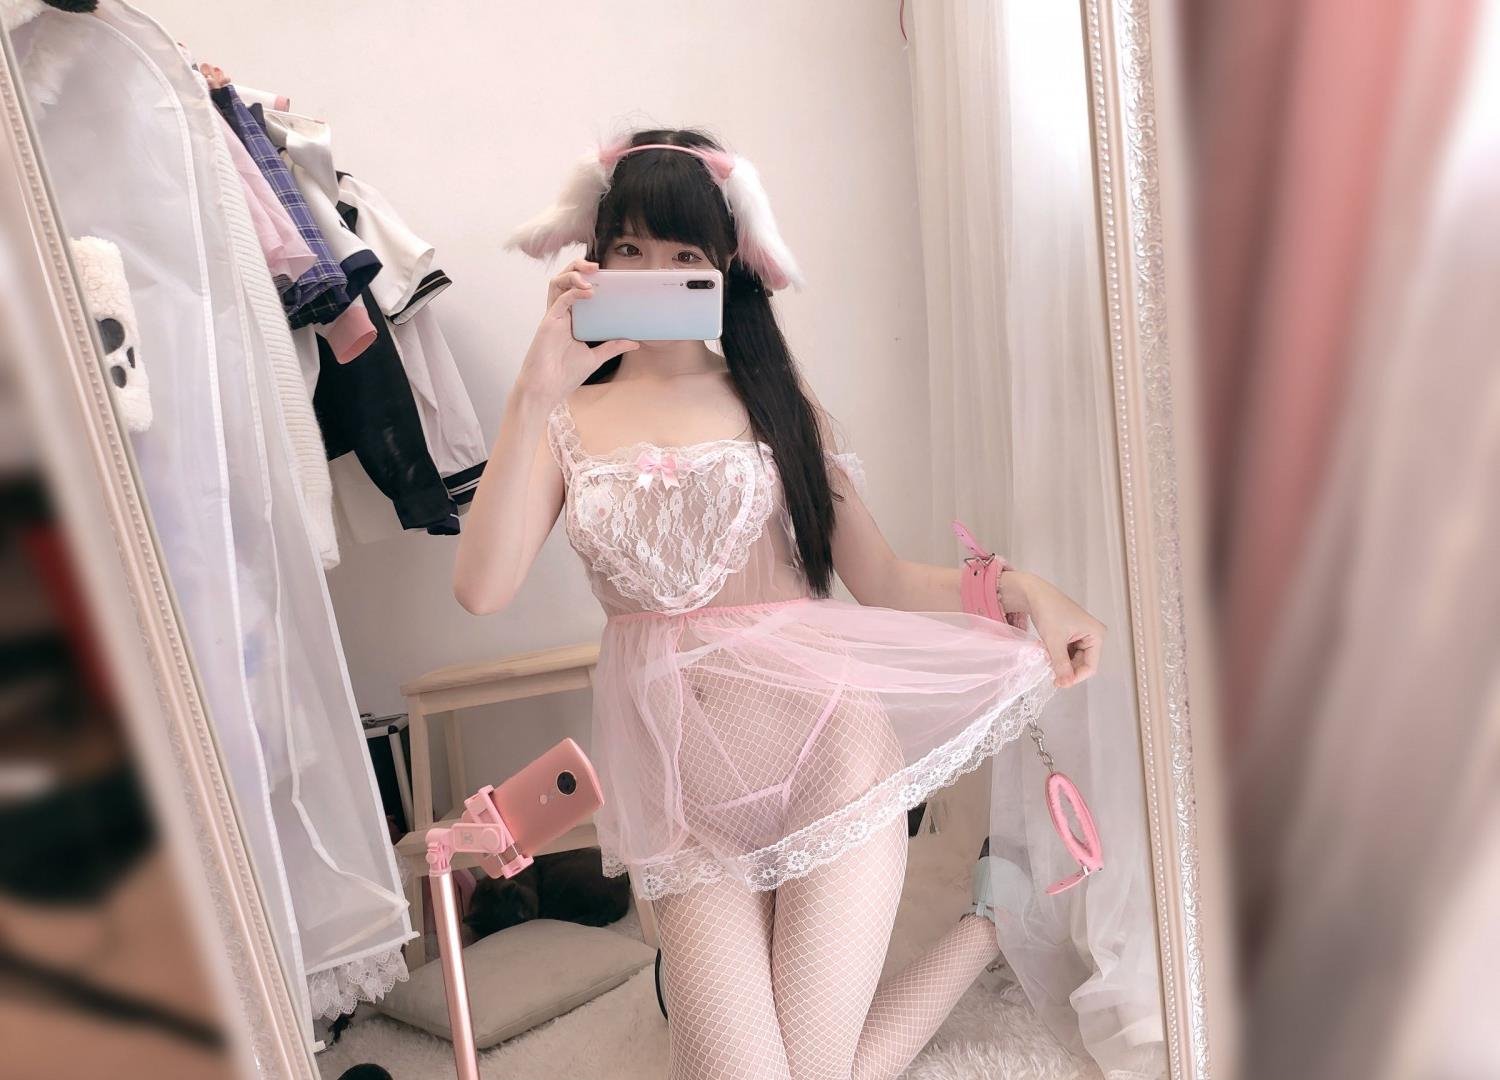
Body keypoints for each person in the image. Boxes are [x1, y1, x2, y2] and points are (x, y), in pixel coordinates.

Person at [454, 127, 1106, 1080]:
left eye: (684, 254)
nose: (652, 272)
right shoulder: (560, 418)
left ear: (728, 269)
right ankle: (977, 929)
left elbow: (885, 581)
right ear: (593, 258)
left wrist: (1026, 589)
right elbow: (481, 589)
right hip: (684, 800)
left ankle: (986, 925)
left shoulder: (774, 404)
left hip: (827, 759)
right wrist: (532, 386)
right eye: (628, 248)